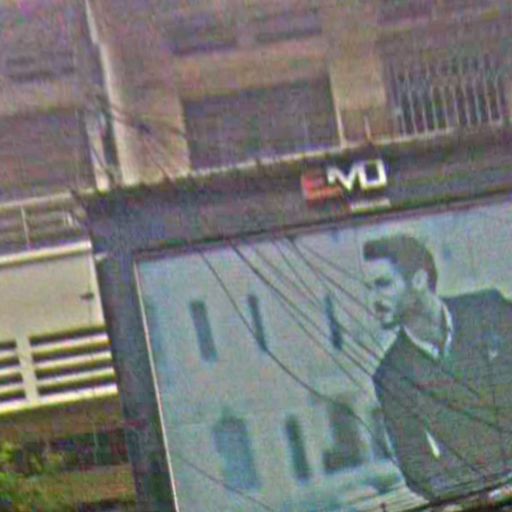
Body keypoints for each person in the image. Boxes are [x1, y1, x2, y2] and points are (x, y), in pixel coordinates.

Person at [362, 234, 512, 503]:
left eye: (383, 284)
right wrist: (474, 495)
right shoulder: (391, 376)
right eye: (369, 288)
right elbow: (417, 468)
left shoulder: (490, 310)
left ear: (419, 280)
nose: (373, 300)